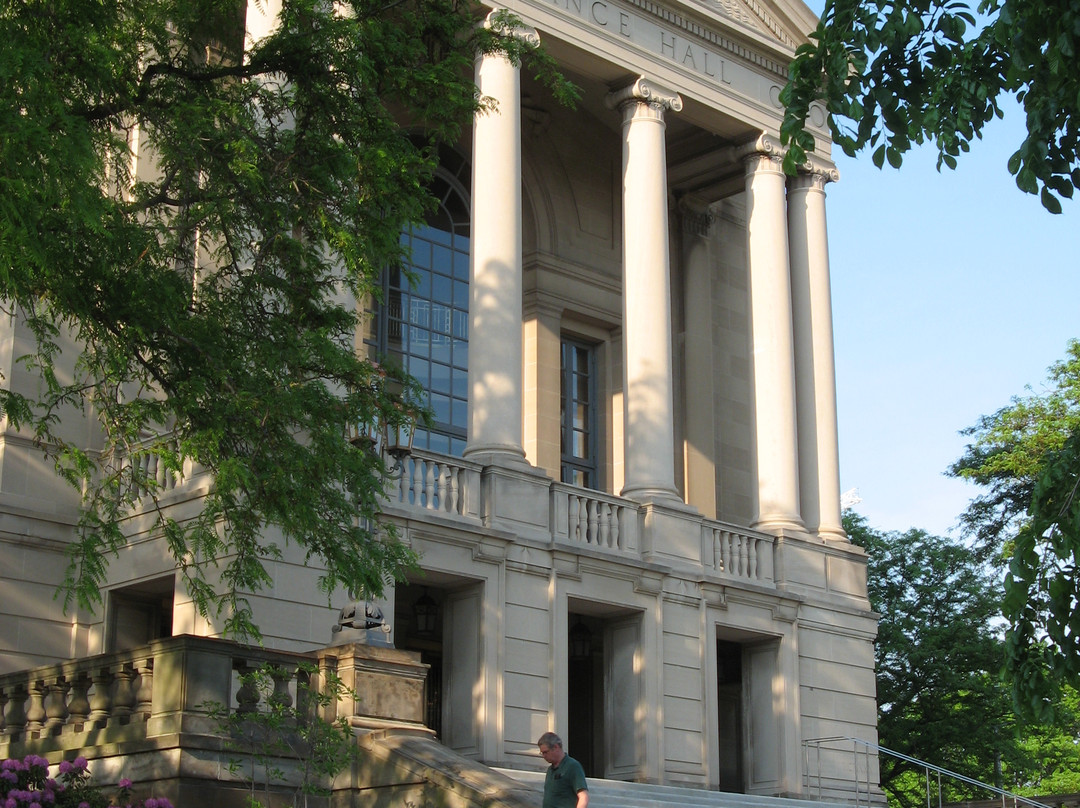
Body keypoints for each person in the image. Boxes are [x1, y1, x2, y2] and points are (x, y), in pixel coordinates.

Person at [537, 731, 589, 808]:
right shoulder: (550, 770)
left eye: (545, 752)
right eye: (542, 753)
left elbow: (583, 796)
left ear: (556, 747)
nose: (544, 756)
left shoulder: (572, 766)